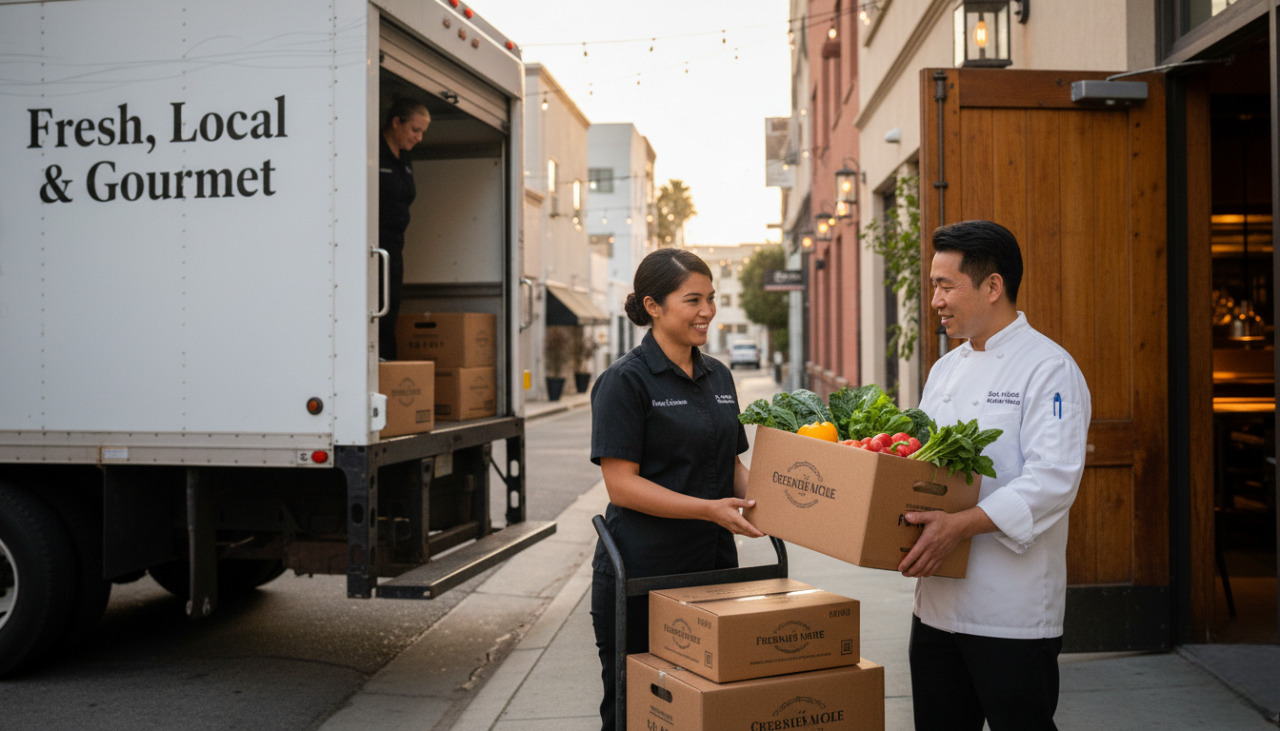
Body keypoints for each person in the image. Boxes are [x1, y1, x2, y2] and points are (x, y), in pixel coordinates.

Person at [899, 220, 1091, 731]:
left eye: (945, 285)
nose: (935, 299)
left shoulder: (1049, 368)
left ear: (992, 286)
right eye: (933, 285)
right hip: (936, 607)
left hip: (1011, 610)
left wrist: (959, 526)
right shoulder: (945, 370)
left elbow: (1053, 479)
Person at [588, 248, 763, 731]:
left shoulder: (719, 376)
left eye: (711, 298)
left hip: (714, 569)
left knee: (709, 711)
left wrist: (776, 508)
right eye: (693, 300)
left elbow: (730, 466)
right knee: (639, 711)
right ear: (653, 306)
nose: (707, 311)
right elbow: (621, 485)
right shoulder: (625, 381)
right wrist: (709, 510)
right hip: (643, 573)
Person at [378, 97, 431, 360]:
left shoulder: (405, 158)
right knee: (376, 312)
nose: (419, 138)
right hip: (372, 249)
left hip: (395, 250)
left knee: (391, 314)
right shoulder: (374, 152)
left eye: (423, 132)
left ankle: (388, 374)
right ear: (396, 123)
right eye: (415, 130)